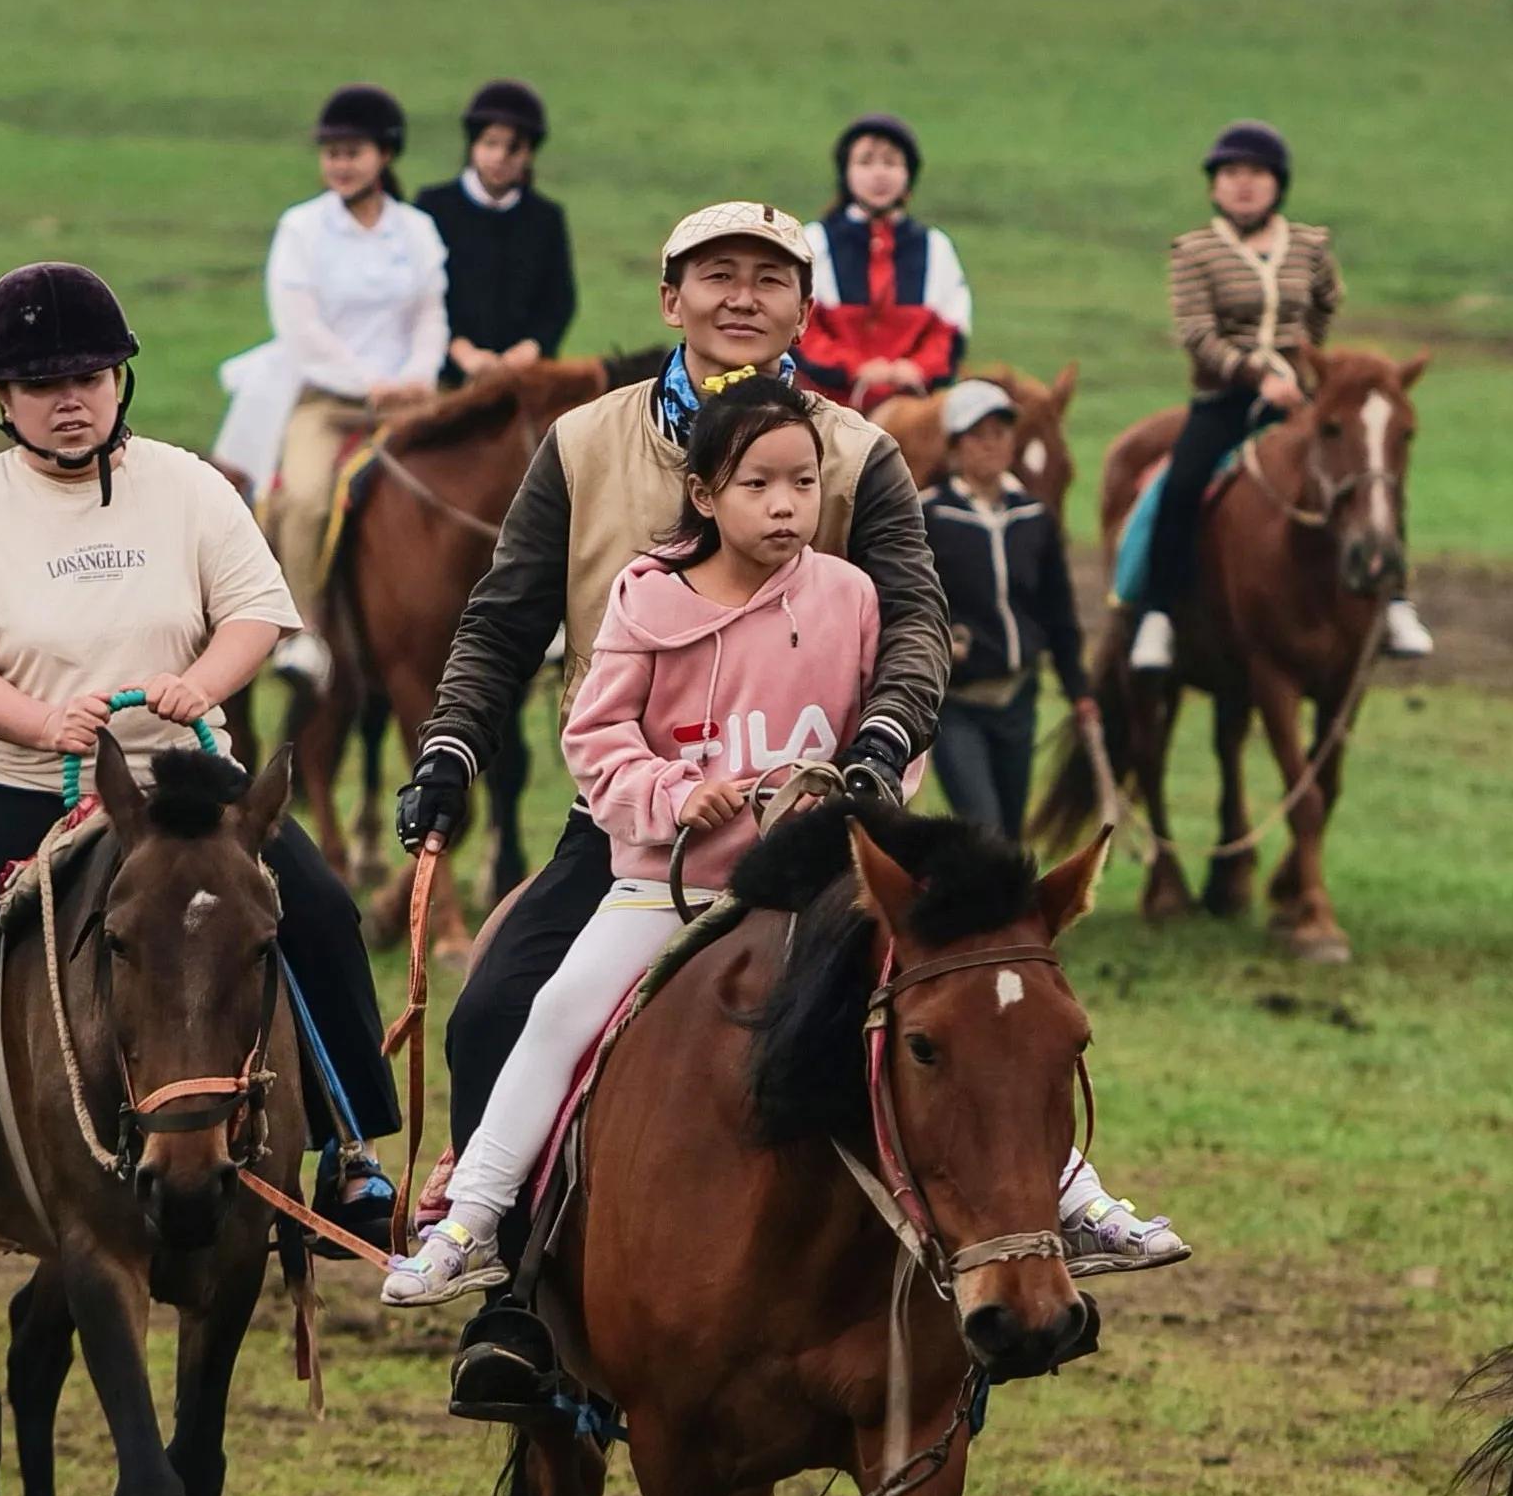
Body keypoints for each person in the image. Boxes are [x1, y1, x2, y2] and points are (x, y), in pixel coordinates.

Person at [399, 204, 1185, 1311]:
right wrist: (450, 743)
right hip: (639, 819)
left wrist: (883, 740)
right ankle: (524, 1302)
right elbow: (504, 619)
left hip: (830, 810)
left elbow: (913, 618)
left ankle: (1045, 1211)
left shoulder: (856, 453)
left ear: (804, 309)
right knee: (493, 1011)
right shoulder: (582, 443)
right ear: (669, 298)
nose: (741, 297)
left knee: (972, 1001)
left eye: (769, 279)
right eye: (716, 274)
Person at [0, 262, 399, 1255]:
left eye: (90, 377)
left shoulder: (190, 487)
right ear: (2, 400)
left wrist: (202, 684)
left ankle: (350, 1152)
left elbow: (257, 612)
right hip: (23, 778)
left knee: (320, 905)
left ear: (122, 381)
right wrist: (38, 724)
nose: (69, 401)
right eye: (41, 385)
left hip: (184, 784)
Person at [378, 384, 876, 1307]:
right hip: (666, 886)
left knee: (957, 997)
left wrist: (845, 797)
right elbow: (596, 738)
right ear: (702, 493)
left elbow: (888, 734)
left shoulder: (850, 594)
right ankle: (472, 1218)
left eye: (803, 484)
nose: (784, 506)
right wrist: (676, 795)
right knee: (559, 1009)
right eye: (757, 483)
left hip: (816, 883)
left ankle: (1065, 1192)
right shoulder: (645, 599)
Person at [1115, 120, 1439, 670]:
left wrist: (1305, 359)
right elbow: (1196, 331)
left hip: (1299, 399)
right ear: (1215, 186)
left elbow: (1326, 301)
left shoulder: (1309, 246)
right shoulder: (1194, 252)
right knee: (1182, 482)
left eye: (1257, 175)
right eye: (1231, 174)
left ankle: (1395, 599)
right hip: (1224, 400)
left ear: (1277, 184)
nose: (1244, 185)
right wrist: (1254, 374)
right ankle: (1157, 613)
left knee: (1368, 470)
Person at [216, 83, 449, 693]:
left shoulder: (418, 230)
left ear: (385, 156)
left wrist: (420, 375)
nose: (340, 164)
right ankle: (304, 633)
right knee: (305, 498)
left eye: (353, 152)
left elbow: (430, 314)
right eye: (332, 153)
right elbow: (300, 328)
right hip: (326, 400)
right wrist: (365, 383)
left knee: (483, 476)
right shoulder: (301, 229)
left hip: (412, 397)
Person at [921, 377, 1082, 843]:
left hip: (1018, 697)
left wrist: (1079, 689)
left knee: (1011, 832)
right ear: (955, 445)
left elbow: (1058, 608)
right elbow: (905, 602)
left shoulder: (1033, 516)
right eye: (979, 434)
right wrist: (942, 637)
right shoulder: (929, 516)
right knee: (983, 828)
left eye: (1002, 432)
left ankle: (998, 916)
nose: (992, 444)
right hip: (956, 704)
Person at [791, 111, 971, 409]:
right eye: (865, 162)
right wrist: (855, 368)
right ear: (845, 172)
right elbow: (800, 325)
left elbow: (949, 331)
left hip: (912, 406)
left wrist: (916, 369)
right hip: (823, 403)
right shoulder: (815, 241)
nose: (879, 174)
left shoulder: (936, 248)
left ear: (908, 175)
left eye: (890, 162)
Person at [430, 77, 576, 380]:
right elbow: (421, 294)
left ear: (529, 154)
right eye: (490, 143)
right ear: (473, 146)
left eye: (514, 148)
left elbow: (559, 300)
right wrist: (460, 350)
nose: (499, 157)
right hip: (445, 373)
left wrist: (532, 347)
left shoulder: (545, 218)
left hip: (520, 379)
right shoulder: (433, 208)